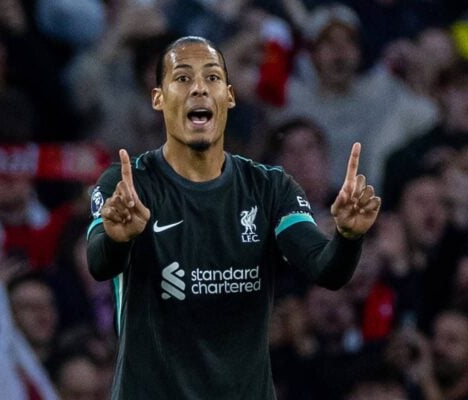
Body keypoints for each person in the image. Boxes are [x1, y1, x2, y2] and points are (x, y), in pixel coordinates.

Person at [86, 36, 381, 399]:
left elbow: (326, 268)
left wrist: (348, 237)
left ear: (229, 95)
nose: (198, 88)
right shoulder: (127, 182)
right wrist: (118, 238)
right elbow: (99, 263)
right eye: (182, 78)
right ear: (158, 98)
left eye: (211, 78)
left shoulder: (270, 187)